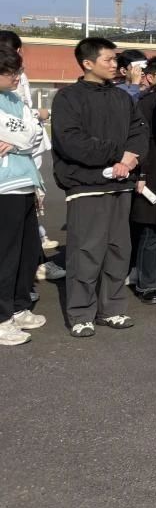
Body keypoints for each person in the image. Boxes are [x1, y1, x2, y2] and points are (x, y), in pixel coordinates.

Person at [51, 38, 149, 337]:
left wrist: (130, 158)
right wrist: (117, 154)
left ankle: (113, 309)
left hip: (120, 184)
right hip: (86, 185)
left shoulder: (122, 97)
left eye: (115, 59)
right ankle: (81, 313)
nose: (114, 64)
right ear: (87, 63)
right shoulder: (68, 97)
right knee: (86, 251)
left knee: (118, 250)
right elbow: (71, 141)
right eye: (108, 59)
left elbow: (139, 131)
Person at [0, 44, 47, 345]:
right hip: (4, 187)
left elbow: (35, 135)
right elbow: (25, 133)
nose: (17, 77)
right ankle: (2, 318)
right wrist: (23, 137)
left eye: (18, 71)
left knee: (26, 252)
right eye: (11, 72)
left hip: (26, 183)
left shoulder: (15, 99)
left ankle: (18, 307)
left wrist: (16, 141)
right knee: (5, 256)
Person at [129, 56, 156, 305]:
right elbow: (139, 141)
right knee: (151, 232)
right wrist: (141, 174)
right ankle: (147, 284)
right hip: (151, 174)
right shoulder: (147, 102)